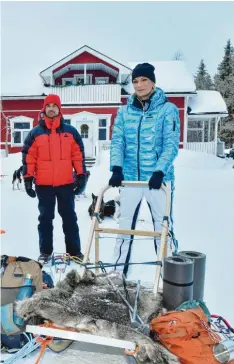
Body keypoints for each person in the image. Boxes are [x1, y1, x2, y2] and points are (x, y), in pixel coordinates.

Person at [109, 63, 180, 276]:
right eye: (135, 81)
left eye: (144, 80)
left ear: (153, 82)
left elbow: (171, 144)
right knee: (124, 228)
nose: (139, 85)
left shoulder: (168, 110)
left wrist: (159, 171)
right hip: (130, 179)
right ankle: (117, 273)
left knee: (163, 227)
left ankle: (170, 277)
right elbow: (118, 142)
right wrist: (117, 168)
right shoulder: (124, 112)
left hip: (157, 181)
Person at [22, 94, 88, 264]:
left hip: (66, 183)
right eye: (48, 105)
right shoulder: (35, 133)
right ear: (44, 109)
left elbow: (78, 155)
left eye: (54, 105)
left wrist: (81, 176)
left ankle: (74, 252)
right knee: (45, 219)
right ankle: (45, 252)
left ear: (59, 109)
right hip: (44, 185)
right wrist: (28, 179)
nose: (51, 108)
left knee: (70, 218)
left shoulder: (70, 132)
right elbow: (29, 157)